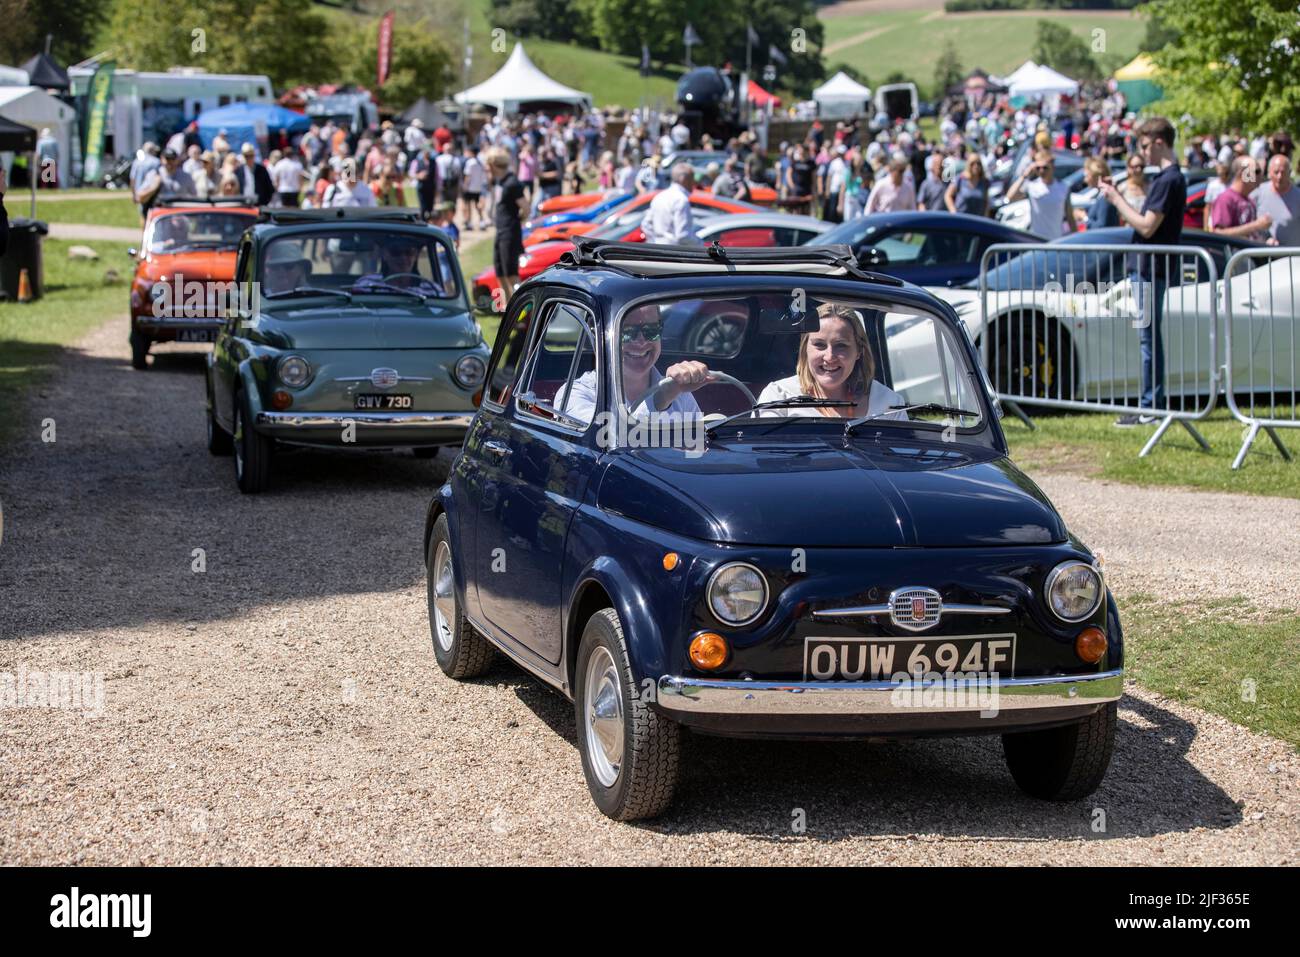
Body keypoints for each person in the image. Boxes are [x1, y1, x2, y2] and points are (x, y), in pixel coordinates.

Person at [1097, 116, 1186, 426]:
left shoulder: (1167, 179)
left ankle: (1151, 406)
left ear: (1159, 143)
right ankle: (1151, 403)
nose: (1143, 152)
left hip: (1151, 267)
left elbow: (1147, 226)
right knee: (1148, 338)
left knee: (1149, 339)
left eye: (1146, 146)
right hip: (1149, 267)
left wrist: (1116, 198)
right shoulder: (1168, 178)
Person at [554, 303, 713, 423]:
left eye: (651, 330)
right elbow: (607, 438)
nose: (641, 342)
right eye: (627, 332)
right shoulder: (575, 395)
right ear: (600, 339)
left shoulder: (678, 394)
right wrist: (661, 398)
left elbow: (698, 449)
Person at [756, 303, 906, 420]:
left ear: (859, 351)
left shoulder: (889, 403)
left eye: (841, 345)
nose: (829, 357)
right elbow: (766, 457)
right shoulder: (778, 397)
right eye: (819, 345)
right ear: (805, 350)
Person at [1006, 148, 1074, 238]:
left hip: (1056, 240)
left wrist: (1075, 238)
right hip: (1036, 241)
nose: (1041, 171)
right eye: (1038, 168)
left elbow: (1070, 216)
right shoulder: (1032, 186)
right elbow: (1010, 197)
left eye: (1045, 167)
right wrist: (1024, 176)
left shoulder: (1063, 188)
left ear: (1052, 167)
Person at [488, 147, 527, 300]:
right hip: (500, 232)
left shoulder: (512, 183)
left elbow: (526, 208)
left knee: (511, 274)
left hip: (509, 233)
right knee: (500, 272)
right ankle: (506, 309)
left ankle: (523, 313)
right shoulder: (500, 181)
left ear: (492, 164)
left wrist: (515, 222)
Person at [1209, 157, 1272, 242]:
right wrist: (1256, 225)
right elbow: (1218, 234)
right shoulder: (1225, 199)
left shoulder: (1250, 200)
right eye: (1256, 172)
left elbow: (1250, 235)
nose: (1260, 175)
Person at [641, 162, 700, 245]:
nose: (694, 182)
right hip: (673, 252)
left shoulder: (660, 196)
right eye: (691, 178)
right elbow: (683, 236)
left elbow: (646, 225)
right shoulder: (681, 200)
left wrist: (655, 241)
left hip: (657, 249)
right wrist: (700, 244)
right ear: (684, 179)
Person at [1254, 153, 1300, 246]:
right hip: (1261, 255)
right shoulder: (1257, 193)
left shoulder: (1298, 195)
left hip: (1291, 257)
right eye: (1276, 172)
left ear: (1289, 173)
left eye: (1283, 172)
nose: (1279, 176)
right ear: (1269, 173)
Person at [945, 153, 989, 217]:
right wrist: (953, 211)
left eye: (978, 163)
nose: (976, 166)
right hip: (961, 220)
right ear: (968, 164)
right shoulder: (960, 179)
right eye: (973, 163)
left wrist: (986, 217)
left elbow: (987, 203)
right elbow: (948, 195)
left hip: (978, 221)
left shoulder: (984, 182)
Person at [1081, 156, 1118, 229]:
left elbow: (1101, 227)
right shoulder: (1101, 195)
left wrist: (1084, 217)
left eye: (1087, 175)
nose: (1085, 180)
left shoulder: (1105, 196)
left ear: (1095, 175)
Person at [460, 145, 487, 230]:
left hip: (470, 188)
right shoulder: (480, 162)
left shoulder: (470, 162)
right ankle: (482, 221)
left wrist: (465, 185)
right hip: (477, 188)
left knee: (467, 205)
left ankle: (469, 222)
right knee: (477, 206)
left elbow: (468, 176)